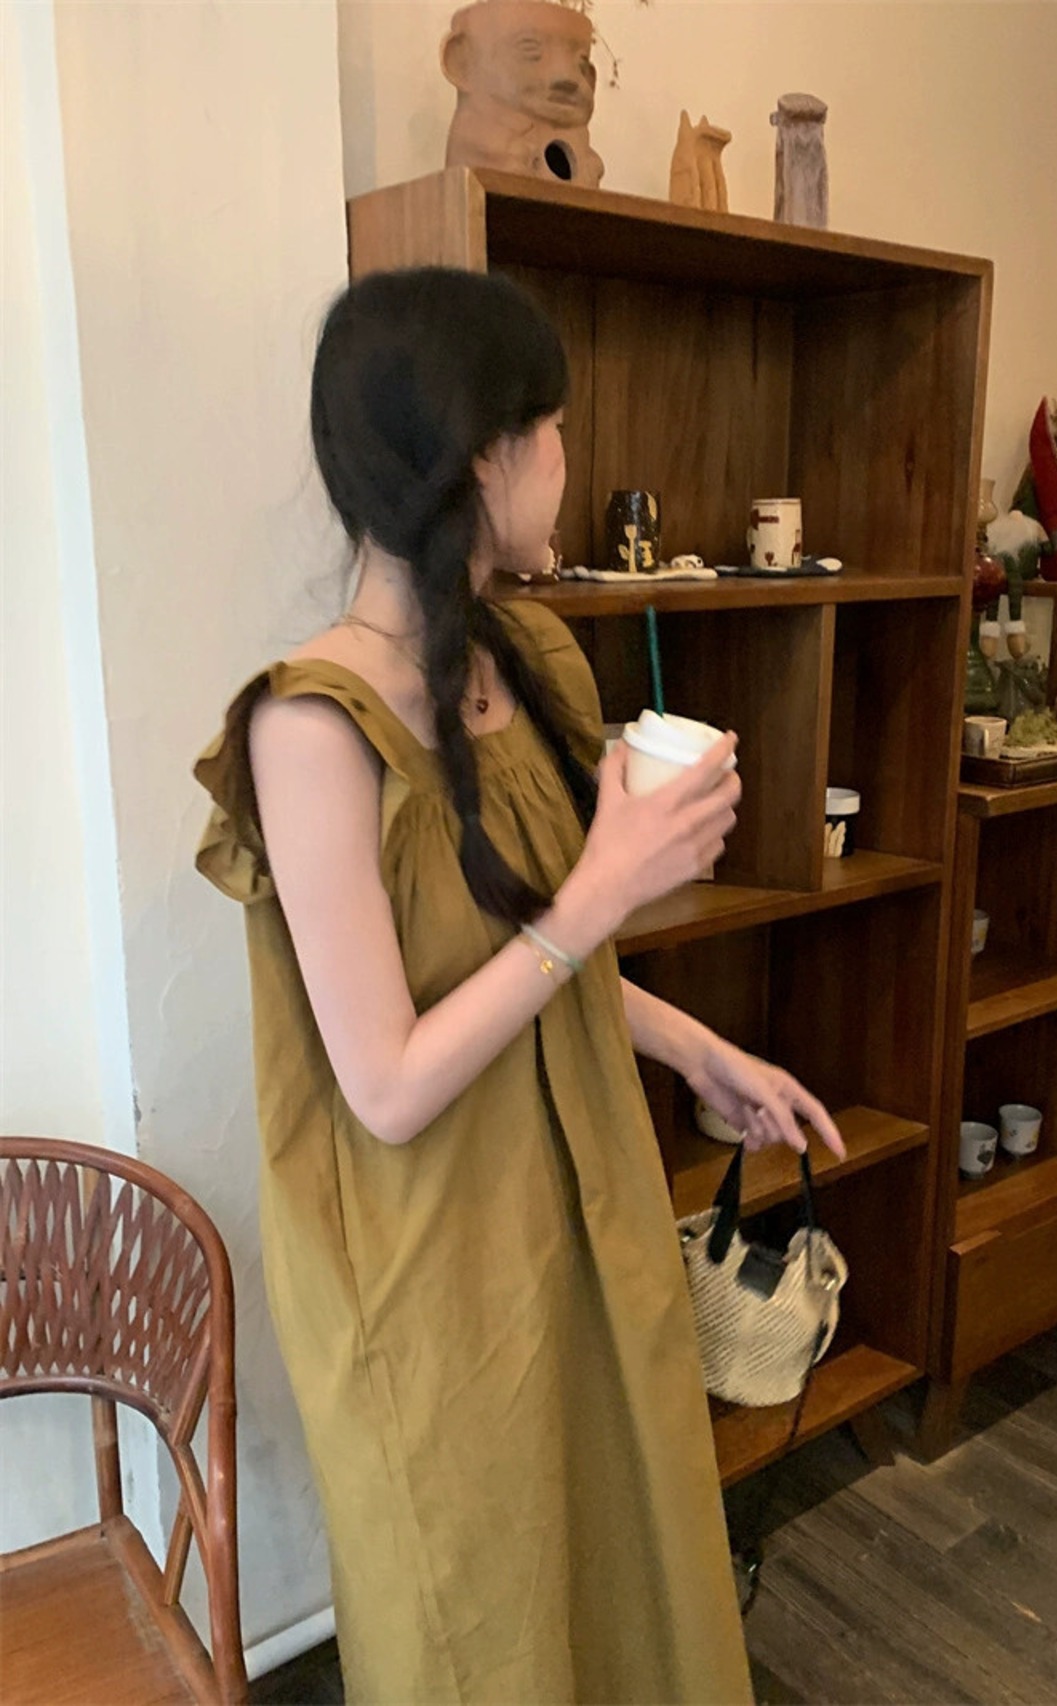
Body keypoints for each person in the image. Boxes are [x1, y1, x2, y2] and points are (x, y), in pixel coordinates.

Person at [194, 267, 845, 1705]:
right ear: (483, 454)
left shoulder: (528, 653)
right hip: (431, 1275)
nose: (567, 458)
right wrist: (608, 887)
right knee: (478, 1621)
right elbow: (386, 1082)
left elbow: (540, 968)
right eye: (551, 428)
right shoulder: (310, 728)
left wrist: (694, 1049)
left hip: (579, 1210)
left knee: (620, 1569)